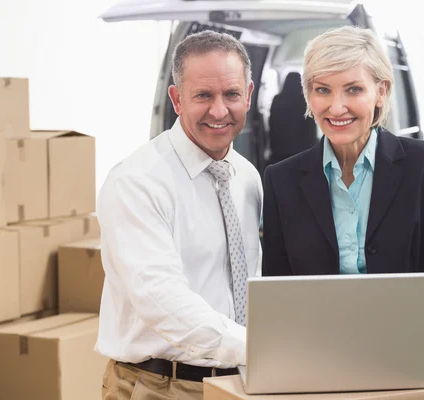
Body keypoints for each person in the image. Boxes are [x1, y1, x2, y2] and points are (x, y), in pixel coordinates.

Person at [262, 26, 424, 368]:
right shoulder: (281, 180)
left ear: (381, 91)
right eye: (322, 90)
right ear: (308, 95)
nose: (336, 106)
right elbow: (277, 288)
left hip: (410, 351)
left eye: (353, 89)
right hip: (318, 358)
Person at [96, 30, 263, 399]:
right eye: (204, 95)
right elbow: (162, 299)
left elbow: (249, 278)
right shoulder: (137, 182)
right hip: (160, 386)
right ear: (176, 99)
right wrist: (260, 348)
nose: (219, 110)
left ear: (248, 95)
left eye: (231, 94)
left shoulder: (247, 177)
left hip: (238, 382)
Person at [268, 71, 318, 164]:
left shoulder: (277, 100)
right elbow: (310, 126)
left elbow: (272, 124)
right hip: (303, 149)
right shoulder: (305, 101)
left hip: (281, 149)